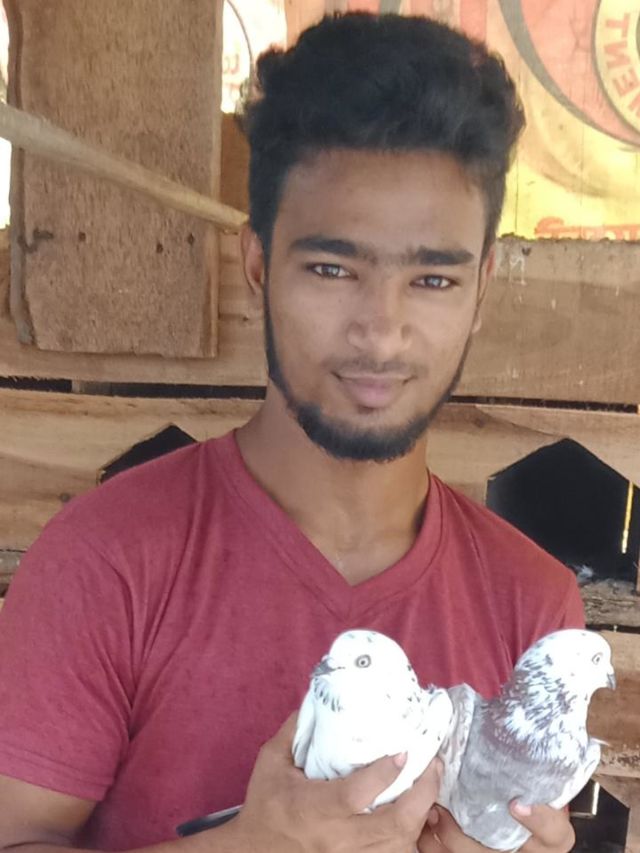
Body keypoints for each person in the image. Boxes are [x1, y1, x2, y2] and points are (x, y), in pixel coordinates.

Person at [0, 11, 583, 853]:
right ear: (256, 265)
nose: (381, 332)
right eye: (332, 268)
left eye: (432, 279)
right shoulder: (108, 560)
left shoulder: (530, 602)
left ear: (483, 287)